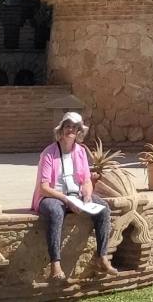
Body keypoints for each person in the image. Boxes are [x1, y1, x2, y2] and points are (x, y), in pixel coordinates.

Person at [33, 111, 113, 283]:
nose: (71, 130)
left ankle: (102, 256)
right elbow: (44, 187)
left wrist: (88, 196)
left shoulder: (81, 151)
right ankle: (55, 265)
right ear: (61, 130)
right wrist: (66, 199)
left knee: (104, 208)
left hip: (75, 195)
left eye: (75, 127)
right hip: (53, 195)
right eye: (67, 126)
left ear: (79, 132)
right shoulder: (49, 152)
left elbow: (85, 180)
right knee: (55, 212)